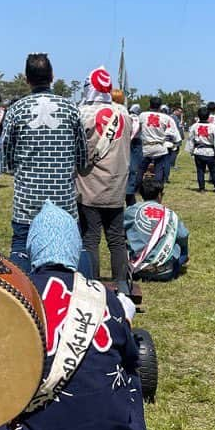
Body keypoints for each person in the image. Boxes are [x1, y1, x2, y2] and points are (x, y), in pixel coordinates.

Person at [0, 201, 148, 430]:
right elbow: (131, 359)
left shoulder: (19, 298)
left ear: (34, 248)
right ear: (75, 249)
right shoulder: (106, 297)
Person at [2, 53, 88, 273]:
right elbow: (82, 157)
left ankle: (24, 300)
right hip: (63, 199)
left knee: (21, 247)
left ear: (26, 79)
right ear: (52, 76)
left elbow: (7, 159)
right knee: (71, 250)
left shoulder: (16, 110)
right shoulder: (70, 108)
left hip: (27, 198)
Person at [76, 68, 133, 289]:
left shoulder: (83, 114)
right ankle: (122, 284)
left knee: (90, 239)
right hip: (117, 183)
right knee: (117, 238)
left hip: (90, 183)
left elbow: (81, 150)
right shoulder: (125, 114)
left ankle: (92, 284)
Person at [124, 176, 189, 281]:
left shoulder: (131, 211)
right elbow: (184, 235)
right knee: (179, 238)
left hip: (135, 268)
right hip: (164, 272)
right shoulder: (170, 214)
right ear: (159, 195)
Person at [138, 99, 181, 187]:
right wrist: (176, 142)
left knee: (140, 169)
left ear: (150, 105)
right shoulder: (167, 118)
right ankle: (157, 189)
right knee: (159, 169)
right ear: (160, 106)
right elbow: (175, 133)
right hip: (160, 146)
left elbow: (136, 129)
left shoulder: (142, 115)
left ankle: (137, 188)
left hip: (145, 146)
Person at [185, 106, 215, 192]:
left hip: (198, 151)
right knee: (213, 170)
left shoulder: (194, 126)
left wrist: (191, 150)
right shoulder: (213, 127)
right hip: (210, 151)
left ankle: (201, 188)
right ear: (208, 116)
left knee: (200, 170)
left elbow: (190, 140)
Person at [125, 103, 144, 205]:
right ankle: (131, 191)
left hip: (129, 142)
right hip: (135, 143)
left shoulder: (127, 116)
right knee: (134, 168)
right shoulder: (137, 118)